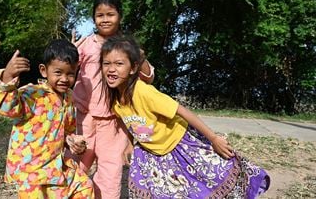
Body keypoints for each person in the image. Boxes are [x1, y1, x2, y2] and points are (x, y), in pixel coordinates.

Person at [100, 35, 270, 198]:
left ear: (133, 68)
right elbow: (131, 122)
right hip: (152, 153)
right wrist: (130, 144)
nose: (111, 69)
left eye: (119, 63)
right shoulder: (116, 100)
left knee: (206, 180)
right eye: (106, 63)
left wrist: (213, 138)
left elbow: (182, 111)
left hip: (179, 145)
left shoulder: (144, 92)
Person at [71, 0, 154, 198]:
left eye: (111, 14)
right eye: (100, 15)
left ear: (120, 17)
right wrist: (69, 50)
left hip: (115, 122)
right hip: (84, 118)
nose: (105, 19)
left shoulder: (126, 47)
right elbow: (65, 68)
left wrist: (139, 55)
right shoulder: (86, 44)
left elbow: (148, 76)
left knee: (110, 174)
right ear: (93, 18)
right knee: (75, 167)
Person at [0, 39, 95, 199]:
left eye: (70, 74)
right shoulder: (33, 94)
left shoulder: (69, 98)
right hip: (31, 172)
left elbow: (66, 131)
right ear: (43, 70)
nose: (64, 79)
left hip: (56, 166)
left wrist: (73, 143)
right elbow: (7, 108)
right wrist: (8, 76)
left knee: (84, 186)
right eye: (58, 72)